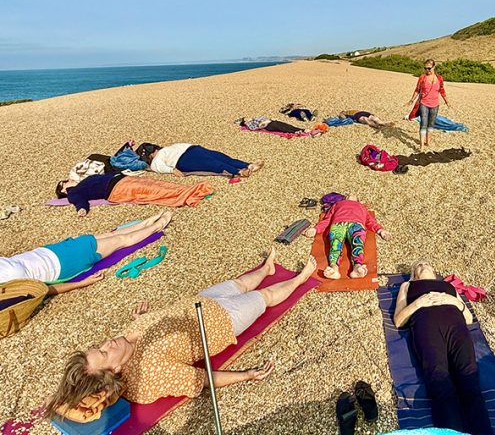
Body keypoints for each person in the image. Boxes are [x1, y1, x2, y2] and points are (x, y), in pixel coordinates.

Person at [45, 251, 317, 414]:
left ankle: (267, 268)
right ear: (114, 369)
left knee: (238, 284)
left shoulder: (124, 341)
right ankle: (300, 279)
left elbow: (146, 328)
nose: (108, 342)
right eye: (105, 352)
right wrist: (246, 375)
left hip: (197, 303)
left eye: (100, 345)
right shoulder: (149, 373)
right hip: (221, 323)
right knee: (265, 296)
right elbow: (203, 379)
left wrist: (142, 317)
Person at [392, 260, 492, 435]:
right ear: (414, 274)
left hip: (456, 327)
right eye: (418, 265)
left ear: (434, 270)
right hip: (426, 327)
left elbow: (468, 319)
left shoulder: (447, 286)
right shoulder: (407, 286)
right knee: (440, 381)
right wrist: (419, 303)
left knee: (469, 379)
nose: (422, 264)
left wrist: (453, 300)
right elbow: (399, 320)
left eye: (426, 263)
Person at [0, 212, 171, 295]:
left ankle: (147, 223)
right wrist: (81, 283)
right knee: (120, 242)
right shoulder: (5, 292)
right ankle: (157, 226)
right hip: (62, 265)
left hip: (47, 251)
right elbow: (43, 291)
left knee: (110, 235)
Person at [303, 195, 390, 279]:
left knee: (357, 244)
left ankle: (357, 267)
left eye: (353, 195)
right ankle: (334, 269)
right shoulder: (337, 204)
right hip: (338, 224)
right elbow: (327, 220)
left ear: (358, 200)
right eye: (348, 195)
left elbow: (370, 221)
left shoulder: (362, 207)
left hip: (356, 224)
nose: (350, 195)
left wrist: (380, 230)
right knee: (335, 245)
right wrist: (315, 229)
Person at [55, 173, 213, 216]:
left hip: (123, 180)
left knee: (157, 184)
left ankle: (189, 189)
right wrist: (81, 209)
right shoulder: (72, 191)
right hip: (117, 189)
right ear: (63, 189)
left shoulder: (83, 181)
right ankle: (190, 194)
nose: (69, 180)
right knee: (154, 191)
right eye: (65, 181)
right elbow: (78, 200)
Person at [137, 142, 263, 178]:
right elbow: (158, 167)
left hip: (191, 150)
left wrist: (171, 170)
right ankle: (239, 171)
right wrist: (172, 170)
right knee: (214, 163)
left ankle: (249, 165)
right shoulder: (156, 160)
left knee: (219, 157)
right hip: (183, 158)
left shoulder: (163, 151)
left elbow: (157, 167)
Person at [407, 59, 451, 149]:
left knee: (431, 124)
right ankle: (422, 145)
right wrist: (412, 100)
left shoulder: (439, 78)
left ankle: (428, 142)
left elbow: (442, 90)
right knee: (423, 123)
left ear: (434, 67)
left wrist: (447, 101)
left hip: (435, 104)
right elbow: (417, 89)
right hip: (424, 103)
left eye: (429, 68)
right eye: (425, 68)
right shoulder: (422, 77)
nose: (427, 70)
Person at [238, 116, 325, 135]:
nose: (248, 118)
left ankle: (303, 129)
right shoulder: (249, 124)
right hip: (267, 126)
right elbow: (254, 128)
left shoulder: (254, 118)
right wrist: (261, 124)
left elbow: (265, 117)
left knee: (287, 125)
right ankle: (303, 131)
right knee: (283, 128)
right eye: (245, 119)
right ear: (244, 122)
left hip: (271, 122)